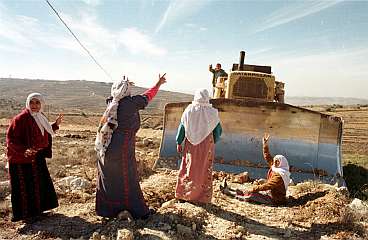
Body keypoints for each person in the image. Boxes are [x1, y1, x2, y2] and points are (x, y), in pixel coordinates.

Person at [95, 73, 167, 219]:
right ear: (127, 91)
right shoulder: (130, 103)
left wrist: (124, 83)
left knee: (109, 178)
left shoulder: (111, 103)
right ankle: (137, 210)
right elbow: (148, 96)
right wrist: (158, 84)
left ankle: (108, 210)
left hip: (106, 147)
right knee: (128, 179)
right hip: (121, 149)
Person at [6, 93, 63, 222]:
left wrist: (55, 125)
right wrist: (24, 150)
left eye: (37, 103)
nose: (34, 105)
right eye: (32, 102)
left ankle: (38, 212)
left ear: (41, 104)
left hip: (37, 157)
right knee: (25, 187)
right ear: (27, 103)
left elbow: (45, 131)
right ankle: (26, 216)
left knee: (39, 184)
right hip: (21, 159)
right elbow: (11, 140)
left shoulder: (40, 117)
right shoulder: (20, 119)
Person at [175, 88, 222, 203]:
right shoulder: (212, 113)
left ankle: (185, 194)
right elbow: (218, 130)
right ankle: (201, 197)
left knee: (189, 167)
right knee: (204, 168)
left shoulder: (188, 111)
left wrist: (178, 141)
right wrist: (213, 141)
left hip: (191, 144)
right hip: (206, 145)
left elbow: (182, 128)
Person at [220, 133, 291, 205]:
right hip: (270, 194)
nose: (274, 162)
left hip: (275, 200)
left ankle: (228, 192)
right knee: (248, 191)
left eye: (277, 161)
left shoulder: (280, 175)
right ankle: (229, 189)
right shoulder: (276, 168)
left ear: (282, 163)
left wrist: (254, 189)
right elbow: (268, 157)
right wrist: (265, 145)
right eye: (275, 160)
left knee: (252, 195)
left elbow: (268, 185)